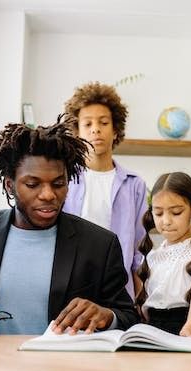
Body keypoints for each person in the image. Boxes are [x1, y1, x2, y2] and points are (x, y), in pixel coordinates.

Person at [0, 117, 138, 336]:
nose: (48, 195)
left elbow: (128, 317)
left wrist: (106, 316)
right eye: (33, 184)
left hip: (65, 366)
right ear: (9, 185)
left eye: (58, 184)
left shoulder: (99, 244)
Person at [63, 82, 147, 299]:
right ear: (76, 132)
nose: (95, 129)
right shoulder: (64, 180)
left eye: (103, 122)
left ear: (115, 129)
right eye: (87, 124)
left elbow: (139, 246)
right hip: (70, 283)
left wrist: (140, 293)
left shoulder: (134, 184)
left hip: (118, 287)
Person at [135, 172, 191, 340]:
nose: (166, 221)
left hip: (189, 327)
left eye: (176, 212)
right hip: (153, 331)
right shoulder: (151, 256)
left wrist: (190, 327)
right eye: (158, 213)